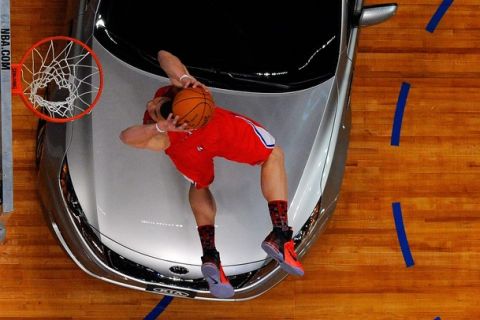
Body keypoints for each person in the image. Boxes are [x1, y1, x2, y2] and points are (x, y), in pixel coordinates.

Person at [119, 50, 304, 298]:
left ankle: (210, 256)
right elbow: (164, 58)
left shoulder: (162, 134)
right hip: (216, 129)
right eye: (154, 109)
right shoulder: (184, 98)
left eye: (156, 108)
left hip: (187, 149)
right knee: (273, 154)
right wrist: (184, 81)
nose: (150, 105)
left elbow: (127, 136)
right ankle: (280, 235)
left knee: (200, 184)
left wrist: (161, 120)